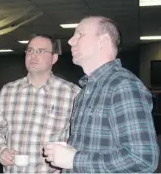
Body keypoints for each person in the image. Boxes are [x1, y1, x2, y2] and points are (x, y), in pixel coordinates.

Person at [43, 16, 159, 173]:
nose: (70, 41)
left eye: (80, 34)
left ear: (102, 41)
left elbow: (142, 159)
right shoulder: (85, 92)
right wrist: (68, 154)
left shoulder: (122, 85)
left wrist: (74, 159)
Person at [0, 34, 81, 173]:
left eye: (41, 51)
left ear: (54, 58)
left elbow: (80, 138)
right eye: (30, 50)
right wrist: (3, 150)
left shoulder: (72, 93)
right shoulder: (8, 90)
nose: (33, 55)